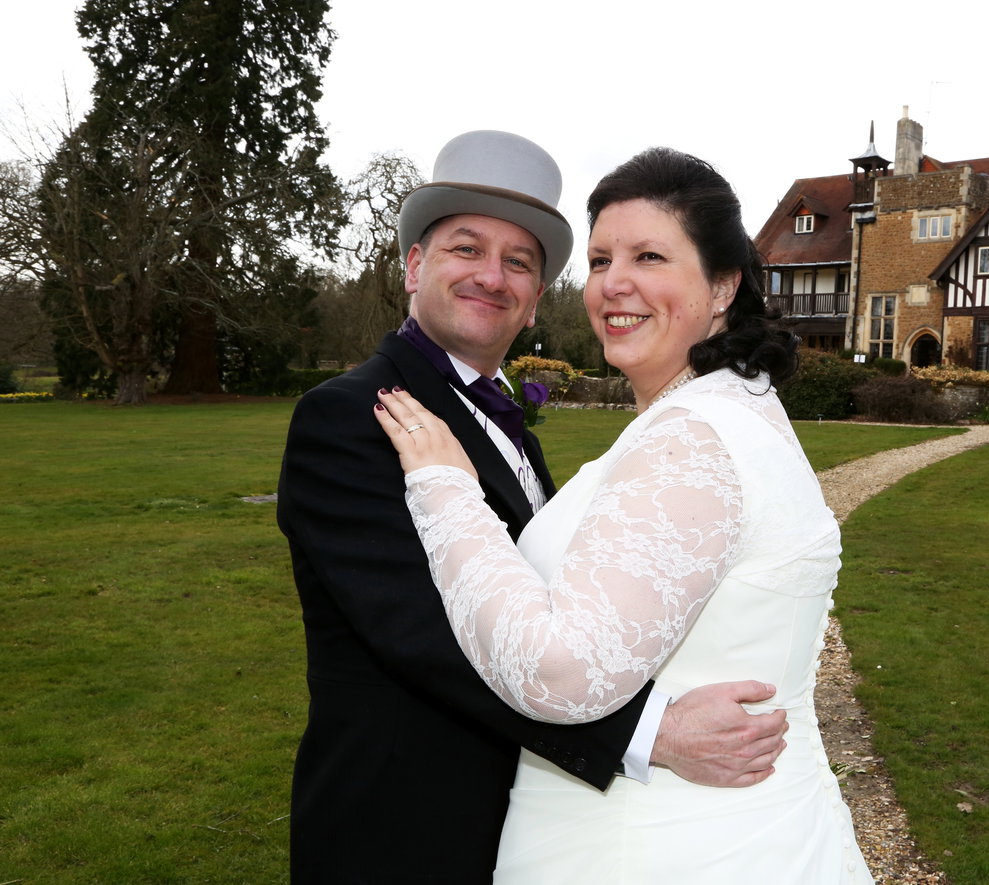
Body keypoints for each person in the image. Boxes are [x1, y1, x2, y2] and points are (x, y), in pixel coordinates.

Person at [277, 132, 789, 884]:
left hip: (517, 823)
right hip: (403, 828)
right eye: (466, 248)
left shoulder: (513, 426)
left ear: (534, 298)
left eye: (519, 262)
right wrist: (651, 732)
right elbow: (423, 634)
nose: (492, 276)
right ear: (414, 266)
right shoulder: (353, 416)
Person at [374, 147, 871, 883]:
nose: (614, 283)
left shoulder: (692, 438)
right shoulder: (727, 410)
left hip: (662, 847)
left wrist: (447, 491)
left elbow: (559, 673)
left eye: (649, 256)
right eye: (601, 259)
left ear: (723, 285)